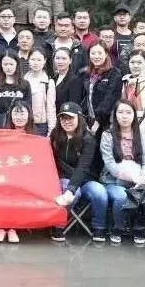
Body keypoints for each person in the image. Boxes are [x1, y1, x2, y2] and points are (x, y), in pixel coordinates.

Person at [50, 102, 107, 241]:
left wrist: (71, 189)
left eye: (70, 118)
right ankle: (58, 225)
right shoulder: (55, 135)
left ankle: (99, 228)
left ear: (79, 118)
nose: (66, 121)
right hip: (65, 177)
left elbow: (83, 167)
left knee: (100, 192)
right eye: (63, 118)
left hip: (86, 179)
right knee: (74, 194)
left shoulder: (88, 139)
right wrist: (71, 190)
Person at [100, 100, 145, 244]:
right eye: (121, 112)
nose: (124, 116)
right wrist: (133, 177)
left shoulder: (141, 135)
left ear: (134, 115)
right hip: (113, 180)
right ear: (115, 115)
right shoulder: (107, 135)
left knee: (144, 194)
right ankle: (117, 228)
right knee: (122, 196)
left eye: (128, 112)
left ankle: (138, 229)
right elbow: (110, 164)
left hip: (138, 179)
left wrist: (143, 178)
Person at [0, 101, 35, 243]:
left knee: (18, 191)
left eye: (23, 113)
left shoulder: (36, 138)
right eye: (16, 113)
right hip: (6, 176)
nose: (19, 117)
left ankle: (12, 228)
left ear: (29, 115)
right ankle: (2, 227)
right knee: (4, 189)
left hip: (27, 179)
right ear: (10, 115)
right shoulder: (3, 135)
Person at [66, 43, 121, 133]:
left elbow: (110, 99)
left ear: (106, 54)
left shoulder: (114, 74)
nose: (96, 56)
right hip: (86, 120)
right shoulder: (84, 73)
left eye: (100, 53)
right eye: (93, 53)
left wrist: (97, 121)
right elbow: (79, 97)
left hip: (105, 123)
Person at [0, 53, 32, 128]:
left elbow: (28, 108)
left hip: (18, 125)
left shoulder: (25, 85)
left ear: (17, 64)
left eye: (11, 64)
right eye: (5, 64)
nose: (8, 67)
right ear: (1, 65)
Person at [24, 50, 56, 136]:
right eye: (33, 59)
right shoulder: (23, 81)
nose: (36, 63)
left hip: (41, 126)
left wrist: (51, 130)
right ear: (28, 60)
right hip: (24, 124)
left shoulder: (48, 82)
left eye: (39, 60)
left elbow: (51, 108)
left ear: (44, 61)